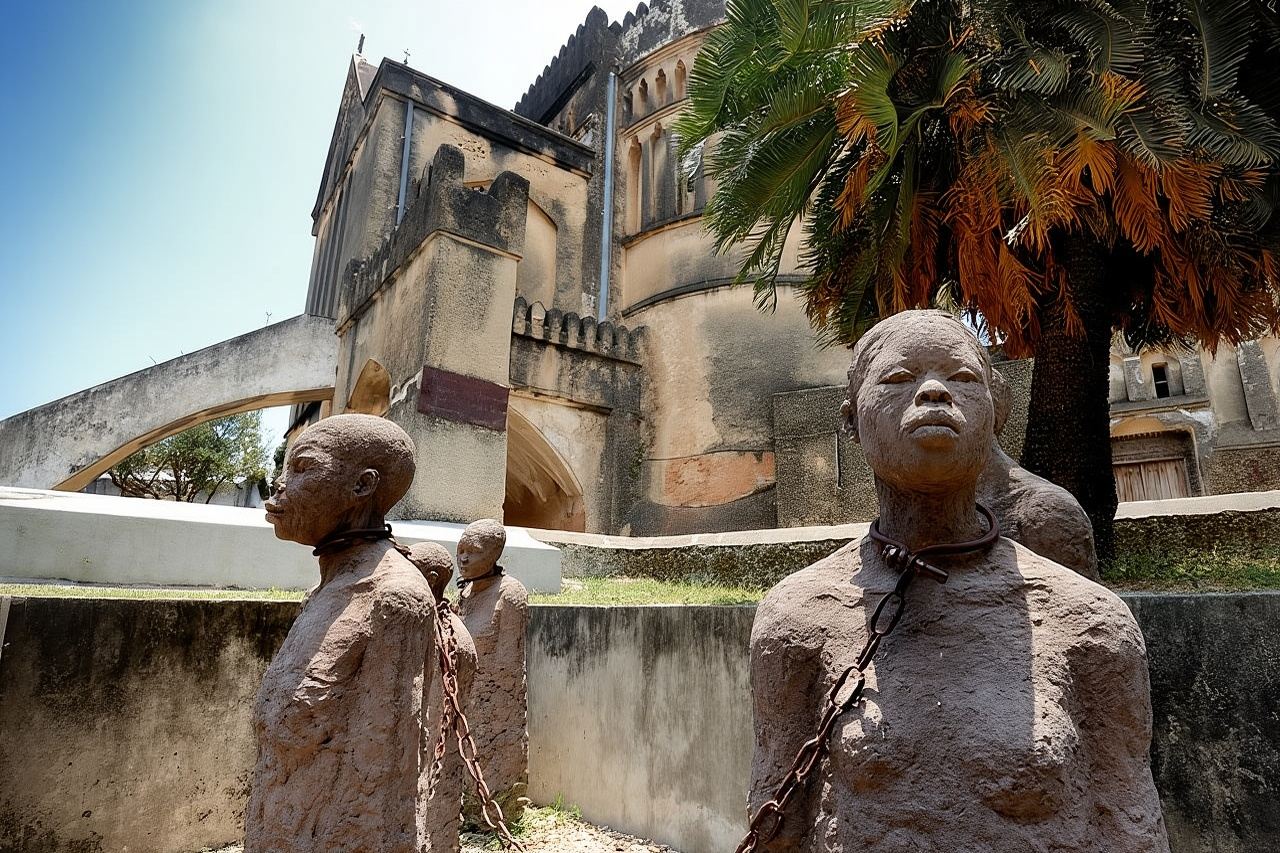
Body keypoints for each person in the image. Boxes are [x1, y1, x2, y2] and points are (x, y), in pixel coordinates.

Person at [749, 311, 1168, 853]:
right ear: (851, 421)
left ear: (995, 413)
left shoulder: (1094, 623)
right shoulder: (795, 618)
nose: (933, 392)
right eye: (898, 379)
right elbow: (775, 829)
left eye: (963, 378)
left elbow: (1130, 825)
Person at [246, 414, 437, 852]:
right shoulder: (324, 592)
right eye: (286, 468)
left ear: (362, 485)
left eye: (303, 468)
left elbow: (380, 790)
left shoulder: (393, 600)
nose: (280, 485)